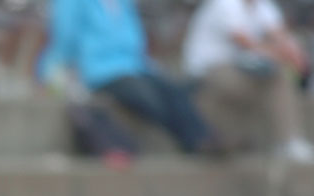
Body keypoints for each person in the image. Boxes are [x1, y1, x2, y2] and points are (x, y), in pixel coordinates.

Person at [38, 0, 221, 155]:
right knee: (148, 97)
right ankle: (194, 140)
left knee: (172, 90)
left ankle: (204, 137)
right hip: (100, 72)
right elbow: (64, 38)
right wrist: (49, 71)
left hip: (134, 66)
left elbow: (134, 38)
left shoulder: (123, 3)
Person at [183, 0, 314, 163]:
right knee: (274, 78)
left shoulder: (263, 6)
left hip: (242, 69)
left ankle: (290, 141)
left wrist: (295, 54)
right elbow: (243, 41)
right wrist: (283, 55)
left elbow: (279, 35)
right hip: (208, 71)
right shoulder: (223, 4)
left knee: (277, 76)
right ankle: (287, 141)